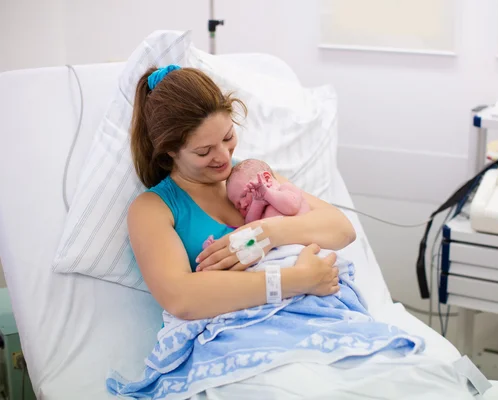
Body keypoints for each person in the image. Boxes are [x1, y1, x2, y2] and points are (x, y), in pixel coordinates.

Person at [127, 64, 357, 321]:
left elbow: (342, 229)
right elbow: (180, 299)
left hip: (312, 312)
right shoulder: (152, 209)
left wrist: (264, 235)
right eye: (204, 151)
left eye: (228, 137)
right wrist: (296, 280)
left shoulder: (250, 175)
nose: (224, 157)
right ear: (170, 150)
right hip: (240, 332)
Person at [200, 158, 310, 252]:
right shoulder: (260, 211)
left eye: (244, 195)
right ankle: (217, 249)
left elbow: (292, 207)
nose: (242, 204)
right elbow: (250, 227)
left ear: (266, 179)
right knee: (247, 247)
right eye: (237, 205)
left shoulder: (285, 188)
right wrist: (258, 202)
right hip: (275, 254)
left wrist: (266, 193)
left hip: (300, 246)